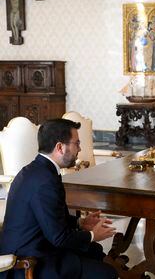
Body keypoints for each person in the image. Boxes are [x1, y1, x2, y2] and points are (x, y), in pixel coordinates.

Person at [0, 119, 118, 279]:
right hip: (29, 261)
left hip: (38, 246)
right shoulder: (45, 181)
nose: (80, 149)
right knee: (107, 274)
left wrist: (79, 223)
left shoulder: (38, 170)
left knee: (95, 251)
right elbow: (59, 238)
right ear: (60, 147)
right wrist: (91, 235)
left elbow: (49, 218)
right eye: (76, 143)